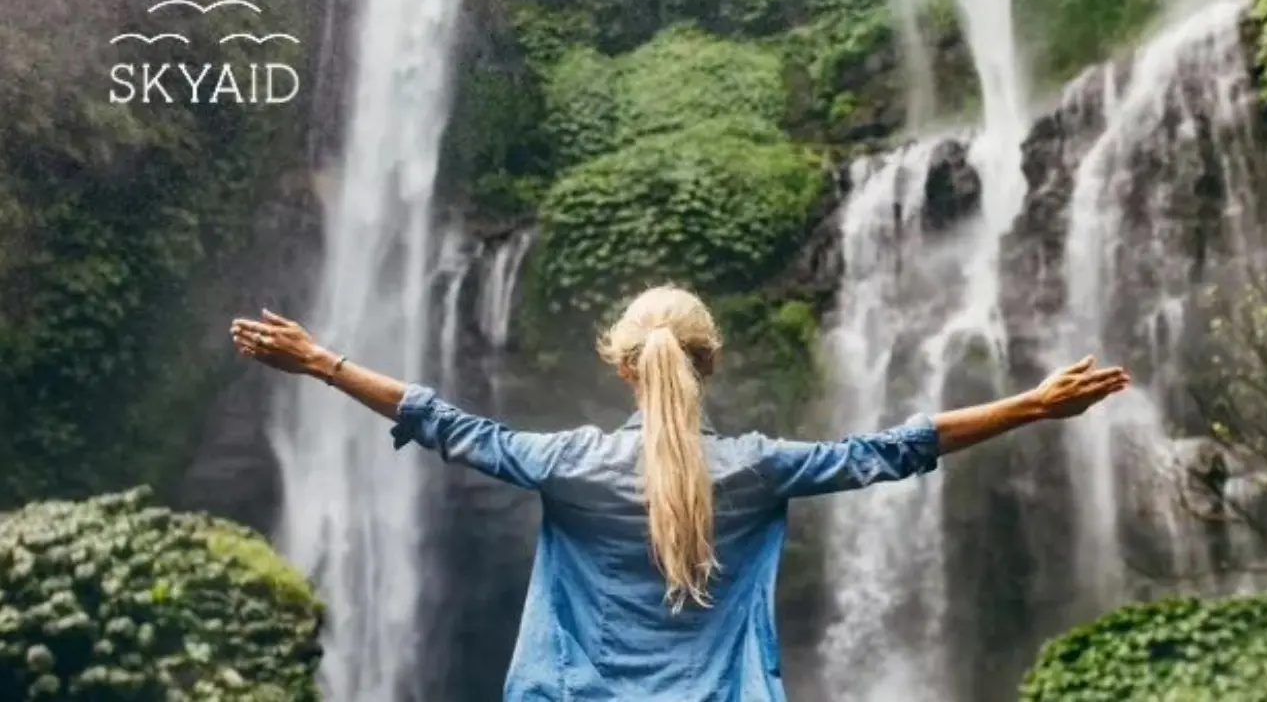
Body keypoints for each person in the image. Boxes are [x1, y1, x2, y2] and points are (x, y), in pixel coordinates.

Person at [231, 284, 1129, 701]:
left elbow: (446, 422)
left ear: (622, 366)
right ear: (712, 362)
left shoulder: (570, 463)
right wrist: (1032, 405)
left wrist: (322, 362)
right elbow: (890, 450)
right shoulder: (758, 468)